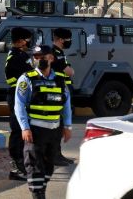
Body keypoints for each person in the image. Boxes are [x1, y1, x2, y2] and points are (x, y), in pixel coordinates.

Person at [15, 45, 72, 199]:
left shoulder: (60, 80)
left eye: (42, 56)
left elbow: (66, 105)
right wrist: (25, 128)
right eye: (36, 57)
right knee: (34, 167)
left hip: (54, 132)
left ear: (51, 58)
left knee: (48, 167)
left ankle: (41, 191)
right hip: (35, 131)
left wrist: (67, 126)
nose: (39, 59)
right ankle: (38, 195)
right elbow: (19, 105)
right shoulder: (27, 78)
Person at [5, 27, 33, 181]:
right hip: (17, 97)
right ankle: (16, 167)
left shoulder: (21, 55)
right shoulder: (16, 57)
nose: (28, 41)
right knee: (17, 131)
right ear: (21, 40)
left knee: (21, 130)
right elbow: (27, 75)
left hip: (21, 96)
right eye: (26, 38)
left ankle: (21, 165)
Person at [51, 28, 75, 166]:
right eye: (67, 39)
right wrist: (71, 71)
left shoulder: (58, 52)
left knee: (59, 125)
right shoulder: (56, 53)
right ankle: (54, 156)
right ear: (60, 39)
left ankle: (57, 154)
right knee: (57, 125)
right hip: (56, 91)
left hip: (60, 90)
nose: (69, 42)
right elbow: (68, 71)